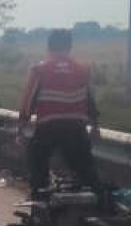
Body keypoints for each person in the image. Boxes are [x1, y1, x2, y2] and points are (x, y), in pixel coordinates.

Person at [17, 29, 100, 195]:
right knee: (85, 168)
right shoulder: (83, 69)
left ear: (49, 47)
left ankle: (39, 195)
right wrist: (95, 125)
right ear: (69, 47)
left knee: (37, 159)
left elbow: (28, 101)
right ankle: (96, 202)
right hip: (76, 127)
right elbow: (90, 99)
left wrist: (22, 125)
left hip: (48, 126)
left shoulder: (40, 69)